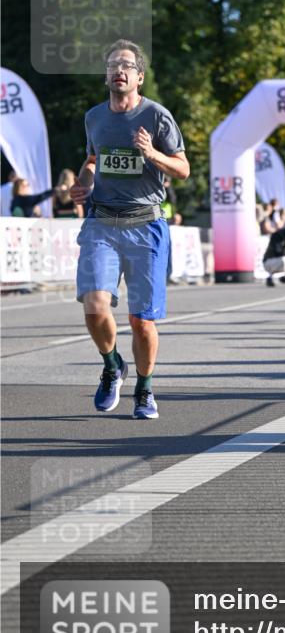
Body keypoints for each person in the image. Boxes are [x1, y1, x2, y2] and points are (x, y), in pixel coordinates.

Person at [70, 39, 189, 421]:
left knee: (141, 321)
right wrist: (86, 180)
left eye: (126, 65)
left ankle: (145, 389)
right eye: (112, 65)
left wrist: (152, 154)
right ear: (107, 75)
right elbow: (92, 158)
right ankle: (111, 365)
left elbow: (183, 169)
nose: (118, 70)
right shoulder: (94, 117)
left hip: (146, 225)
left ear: (139, 77)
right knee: (94, 305)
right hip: (102, 221)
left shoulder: (157, 116)